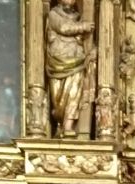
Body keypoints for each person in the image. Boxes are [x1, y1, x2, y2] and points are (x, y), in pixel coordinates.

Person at [46, 0, 95, 137]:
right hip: (58, 61)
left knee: (74, 91)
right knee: (57, 99)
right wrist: (82, 27)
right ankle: (60, 122)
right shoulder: (53, 14)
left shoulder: (78, 17)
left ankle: (68, 125)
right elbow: (63, 27)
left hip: (77, 60)